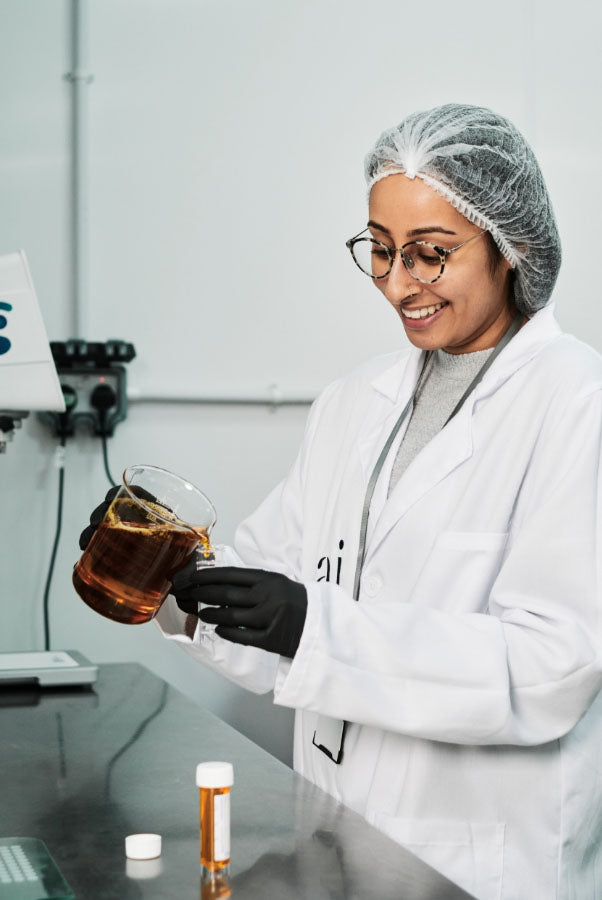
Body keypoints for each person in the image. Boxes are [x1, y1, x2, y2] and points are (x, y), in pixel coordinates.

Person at [81, 104, 602, 899]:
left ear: (514, 244)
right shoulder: (357, 401)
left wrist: (313, 626)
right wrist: (176, 579)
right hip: (330, 836)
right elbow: (273, 576)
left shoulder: (578, 403)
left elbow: (550, 668)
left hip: (485, 861)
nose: (399, 284)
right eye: (382, 251)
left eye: (430, 255)